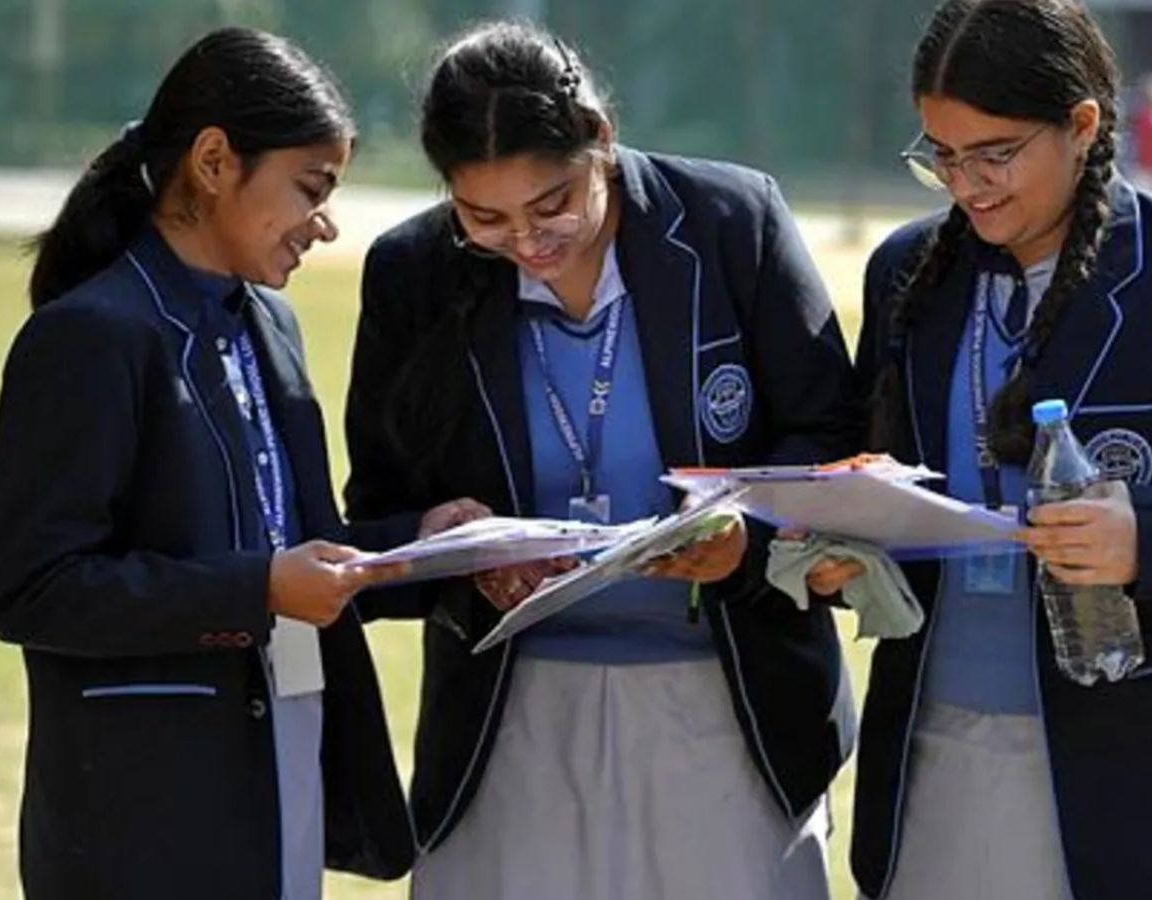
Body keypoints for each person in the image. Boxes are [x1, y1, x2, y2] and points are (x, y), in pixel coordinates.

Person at [808, 2, 1152, 897]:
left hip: (1141, 789)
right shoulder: (908, 272)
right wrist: (837, 544)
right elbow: (872, 474)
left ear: (1081, 124)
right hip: (932, 764)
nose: (966, 184)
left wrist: (1150, 539)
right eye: (941, 156)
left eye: (994, 154)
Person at [341, 20, 858, 900]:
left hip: (729, 704)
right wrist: (446, 541)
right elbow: (379, 510)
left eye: (552, 205)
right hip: (507, 719)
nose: (527, 242)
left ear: (602, 142)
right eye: (484, 218)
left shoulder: (732, 224)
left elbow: (831, 441)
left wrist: (747, 544)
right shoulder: (413, 271)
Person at [0, 27, 461, 900]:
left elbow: (295, 544)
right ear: (212, 162)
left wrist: (425, 542)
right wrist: (258, 590)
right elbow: (32, 589)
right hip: (143, 814)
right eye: (311, 187)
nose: (325, 224)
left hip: (284, 757)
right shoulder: (88, 337)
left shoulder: (269, 321)